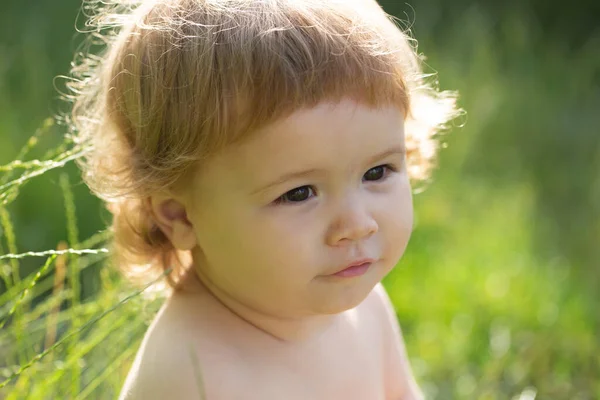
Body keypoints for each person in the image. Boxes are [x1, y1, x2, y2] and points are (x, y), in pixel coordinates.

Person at [69, 0, 459, 398]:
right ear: (180, 216)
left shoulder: (364, 305)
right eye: (299, 193)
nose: (358, 224)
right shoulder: (194, 375)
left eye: (376, 173)